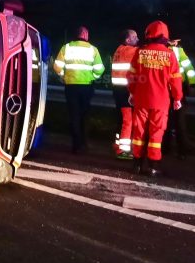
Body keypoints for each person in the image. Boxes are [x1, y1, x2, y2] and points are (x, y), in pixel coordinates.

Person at [127, 21, 183, 176]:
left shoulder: (140, 52)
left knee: (139, 132)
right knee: (156, 134)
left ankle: (136, 165)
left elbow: (131, 76)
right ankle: (153, 167)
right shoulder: (170, 55)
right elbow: (176, 79)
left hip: (141, 99)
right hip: (161, 102)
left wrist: (132, 93)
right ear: (165, 35)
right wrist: (177, 98)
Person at [54, 26, 105, 153]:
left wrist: (64, 76)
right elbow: (100, 69)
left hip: (70, 86)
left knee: (74, 115)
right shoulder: (93, 49)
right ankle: (84, 143)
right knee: (84, 115)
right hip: (86, 86)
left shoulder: (67, 48)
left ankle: (75, 145)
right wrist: (92, 77)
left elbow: (56, 67)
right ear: (86, 35)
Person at [165, 39, 195, 159]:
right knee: (179, 121)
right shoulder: (179, 52)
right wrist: (193, 84)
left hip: (165, 89)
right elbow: (190, 69)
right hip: (179, 88)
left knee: (165, 120)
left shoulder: (160, 52)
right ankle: (182, 151)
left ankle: (164, 148)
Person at [110, 29, 139, 159]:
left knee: (120, 120)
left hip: (118, 90)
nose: (137, 39)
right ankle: (123, 150)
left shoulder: (119, 49)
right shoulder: (130, 51)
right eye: (135, 37)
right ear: (128, 40)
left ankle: (117, 145)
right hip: (125, 91)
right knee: (128, 121)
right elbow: (143, 51)